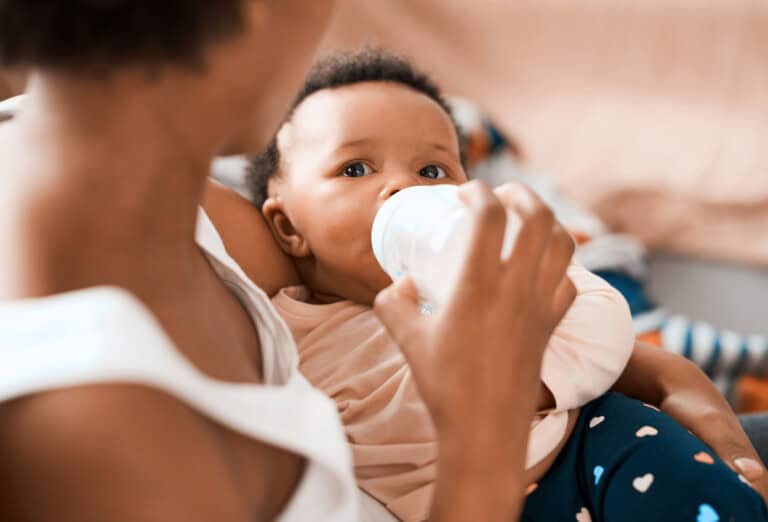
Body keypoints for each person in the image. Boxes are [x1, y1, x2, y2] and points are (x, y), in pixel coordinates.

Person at [0, 2, 582, 521]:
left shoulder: (156, 192)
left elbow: (344, 286)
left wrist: (660, 372)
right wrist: (483, 436)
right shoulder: (85, 425)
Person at [242, 49, 768, 521]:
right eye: (355, 168)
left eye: (432, 170)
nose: (402, 186)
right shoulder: (281, 335)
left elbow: (606, 329)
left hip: (592, 446)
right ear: (288, 227)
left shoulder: (488, 284)